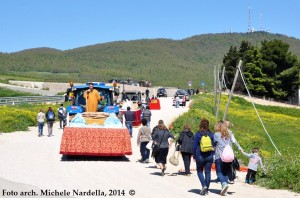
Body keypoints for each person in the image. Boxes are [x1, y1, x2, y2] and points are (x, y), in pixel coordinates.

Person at [214, 121, 242, 196]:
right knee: (225, 172)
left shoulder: (216, 134)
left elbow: (213, 144)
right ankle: (225, 189)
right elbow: (235, 141)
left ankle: (223, 184)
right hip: (229, 157)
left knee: (219, 172)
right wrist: (240, 148)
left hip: (219, 157)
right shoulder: (229, 134)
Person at [193, 118, 214, 195]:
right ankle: (207, 190)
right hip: (209, 155)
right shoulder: (211, 134)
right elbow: (213, 144)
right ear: (208, 125)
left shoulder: (198, 134)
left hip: (200, 155)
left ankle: (204, 185)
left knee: (199, 171)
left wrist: (194, 156)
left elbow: (194, 146)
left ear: (200, 125)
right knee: (208, 172)